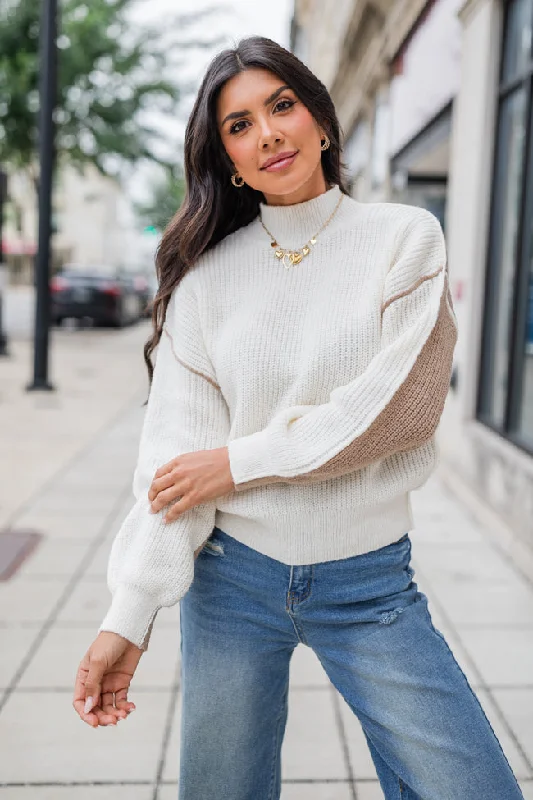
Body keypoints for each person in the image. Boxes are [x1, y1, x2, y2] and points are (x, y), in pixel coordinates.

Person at [72, 36, 525, 800]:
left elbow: (397, 410)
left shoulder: (403, 239)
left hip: (369, 583)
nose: (267, 134)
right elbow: (174, 464)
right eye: (238, 126)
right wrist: (132, 610)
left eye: (280, 106)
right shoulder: (206, 281)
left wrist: (238, 462)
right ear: (227, 160)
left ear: (319, 118)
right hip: (230, 580)